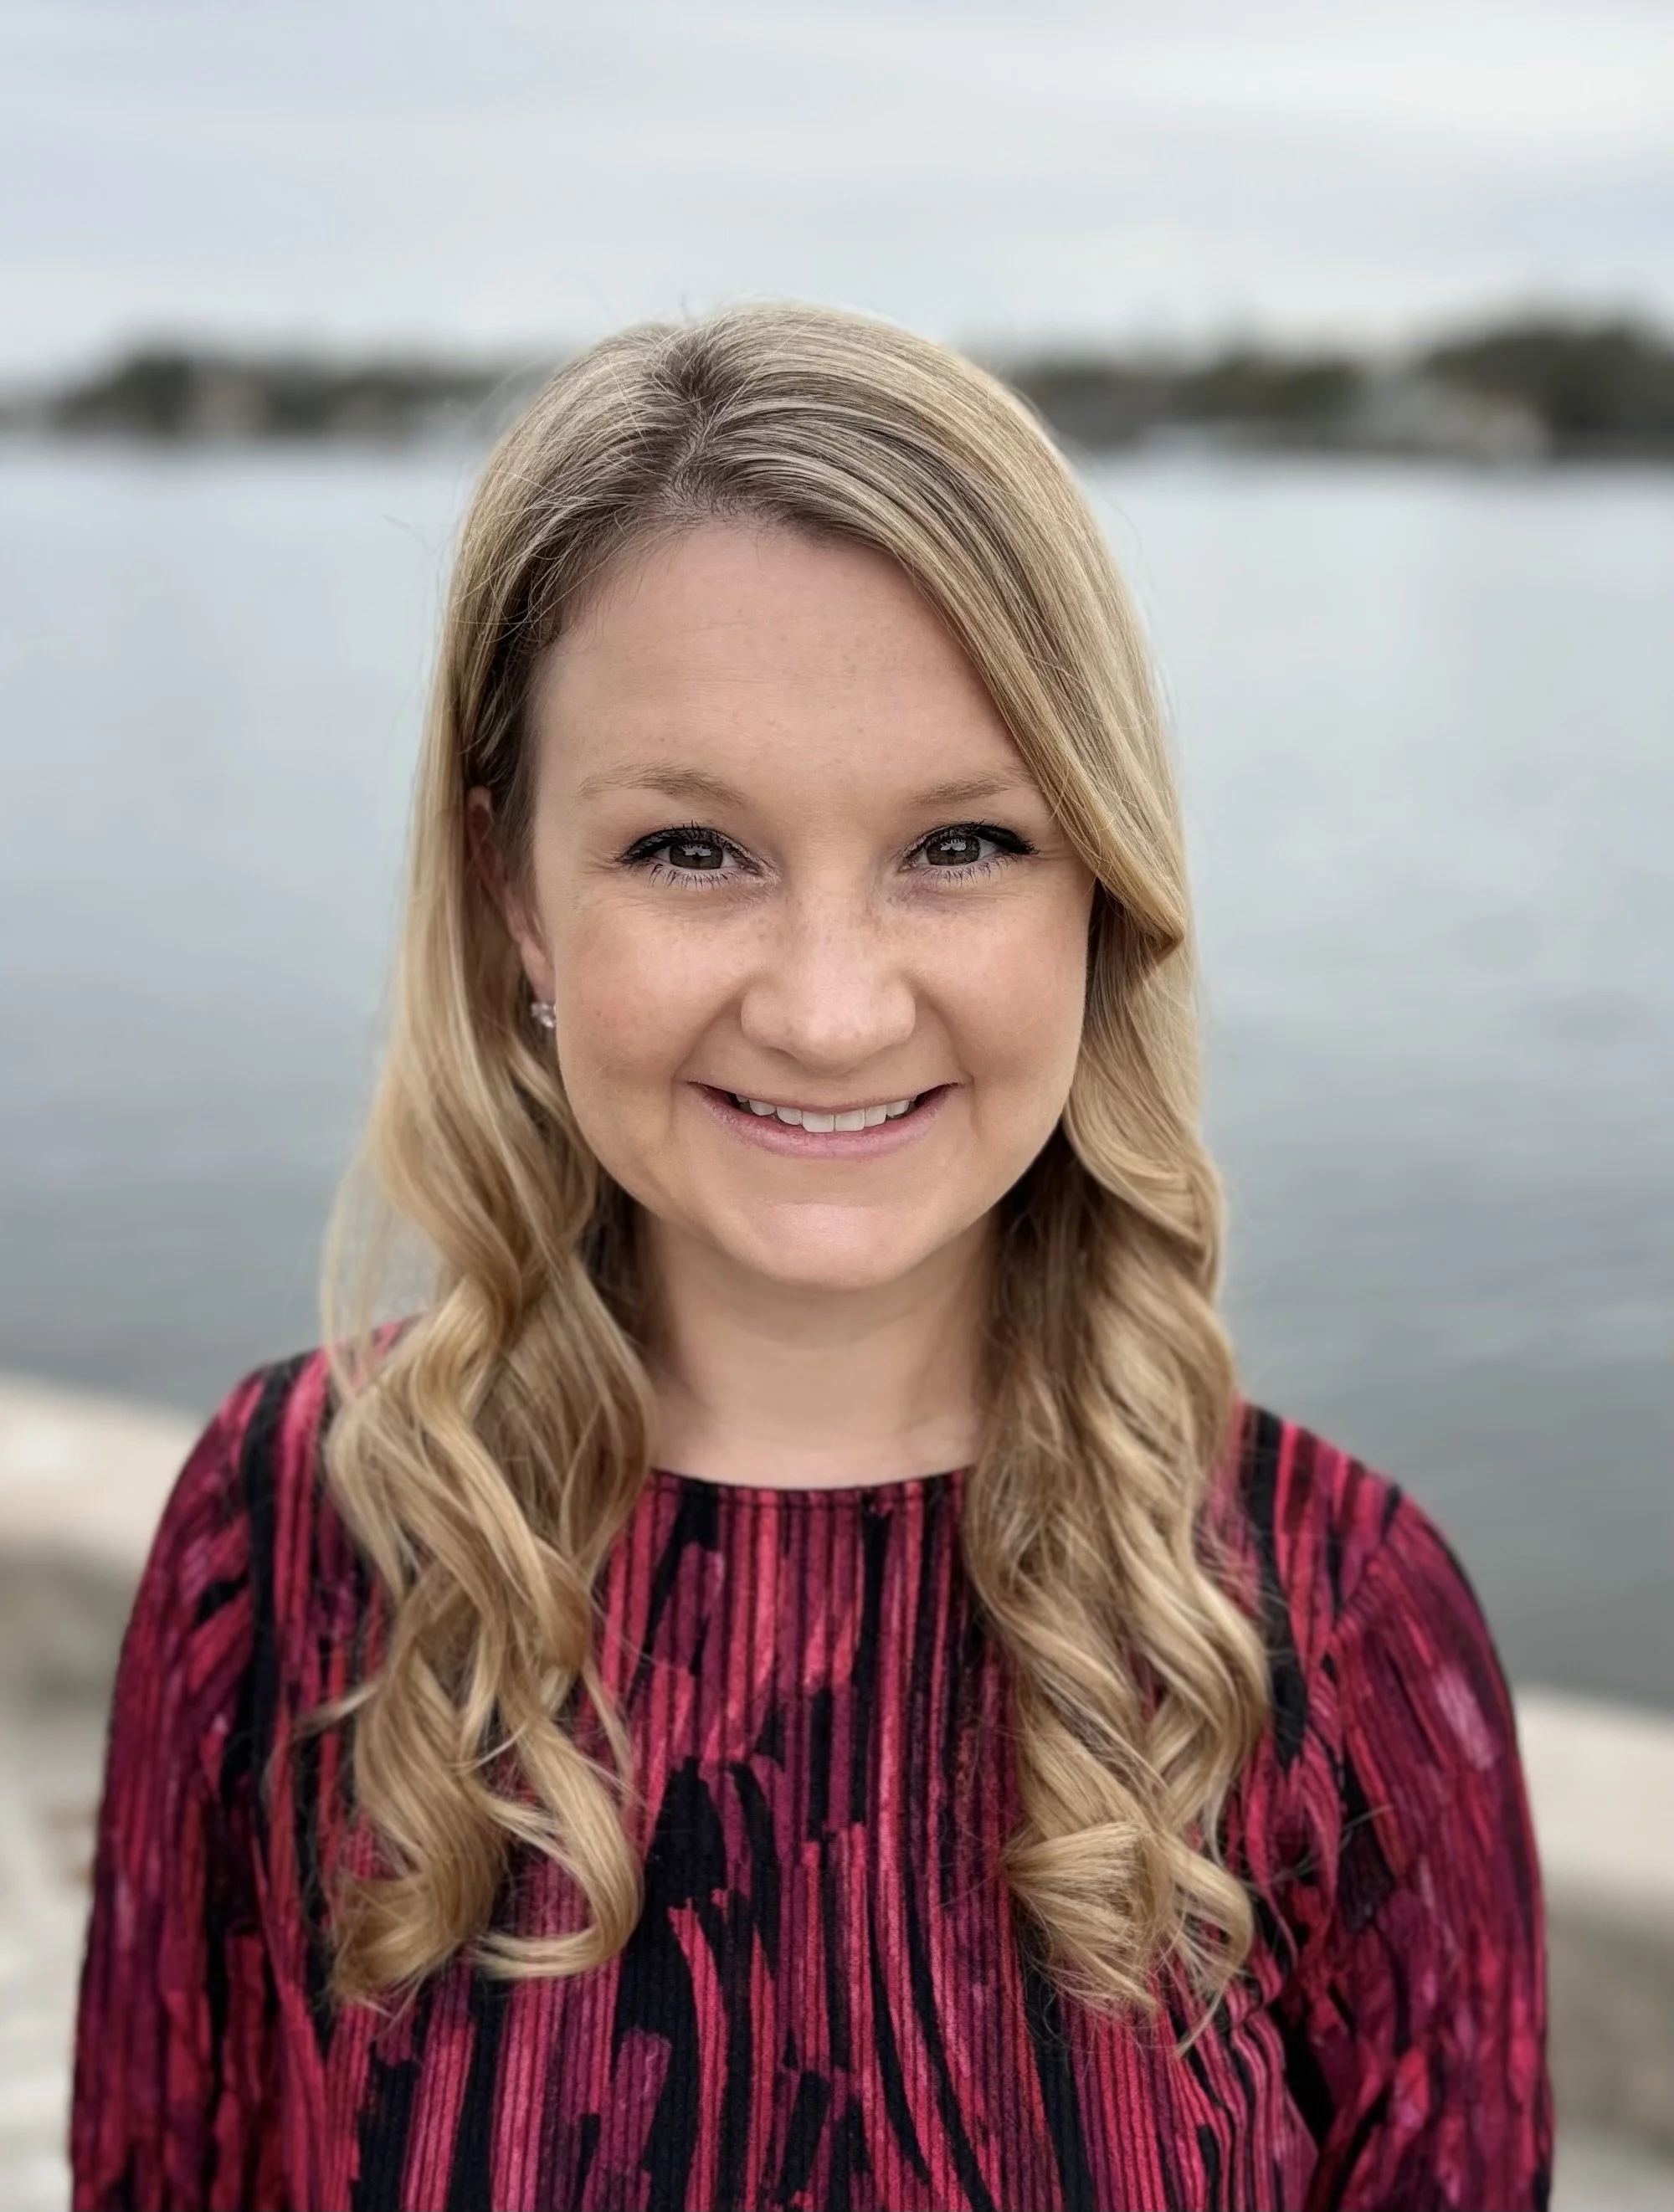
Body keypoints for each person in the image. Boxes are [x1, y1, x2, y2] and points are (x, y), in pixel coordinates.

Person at [70, 303, 1551, 2212]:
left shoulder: (1342, 1629)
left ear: (1102, 883)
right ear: (512, 888)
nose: (835, 1012)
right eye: (693, 850)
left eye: (962, 844)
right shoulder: (285, 1545)